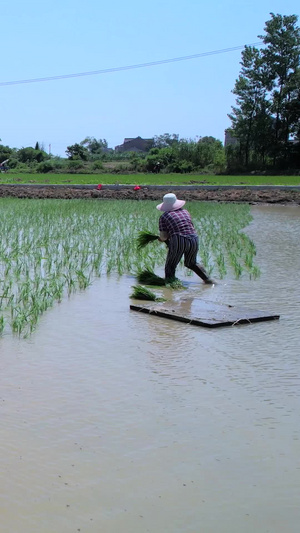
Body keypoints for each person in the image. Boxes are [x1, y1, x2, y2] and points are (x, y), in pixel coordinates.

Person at [156, 193, 214, 284]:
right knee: (191, 263)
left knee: (170, 266)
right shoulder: (185, 212)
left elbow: (164, 237)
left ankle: (171, 286)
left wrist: (160, 239)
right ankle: (209, 280)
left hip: (179, 239)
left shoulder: (164, 217)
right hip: (193, 238)